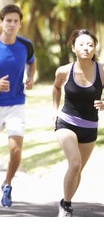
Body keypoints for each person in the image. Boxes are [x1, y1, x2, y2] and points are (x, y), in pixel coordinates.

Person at [0, 4, 36, 211]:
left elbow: (31, 62)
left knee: (15, 149)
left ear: (20, 24)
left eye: (15, 21)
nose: (12, 24)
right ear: (1, 22)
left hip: (16, 103)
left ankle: (7, 184)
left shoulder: (26, 45)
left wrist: (30, 77)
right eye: (8, 20)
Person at [53, 29, 103, 217]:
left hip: (90, 127)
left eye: (90, 44)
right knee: (74, 164)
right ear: (74, 47)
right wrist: (54, 111)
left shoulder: (102, 70)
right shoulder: (64, 71)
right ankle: (65, 207)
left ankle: (66, 202)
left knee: (78, 168)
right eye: (81, 44)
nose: (86, 48)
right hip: (66, 122)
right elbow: (56, 88)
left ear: (94, 48)